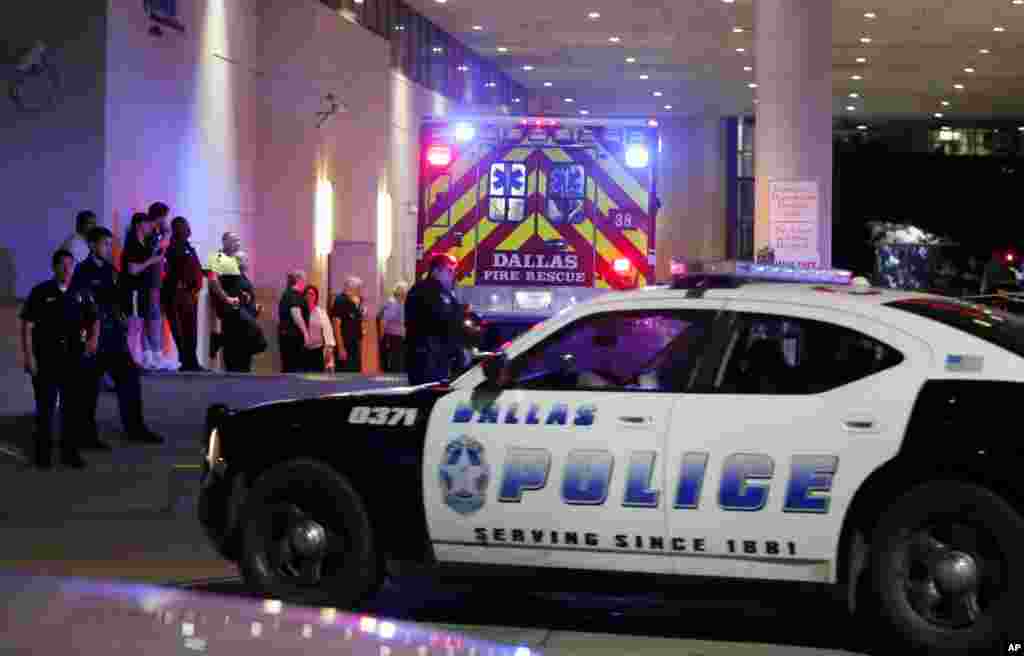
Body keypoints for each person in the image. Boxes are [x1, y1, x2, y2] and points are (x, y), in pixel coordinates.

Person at [72, 227, 164, 446]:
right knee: (89, 388)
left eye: (109, 244)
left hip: (114, 334)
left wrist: (122, 315)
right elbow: (83, 303)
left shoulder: (110, 270)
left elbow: (118, 295)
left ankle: (135, 428)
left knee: (130, 379)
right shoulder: (82, 271)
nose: (108, 248)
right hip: (95, 337)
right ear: (93, 245)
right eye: (104, 244)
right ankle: (86, 435)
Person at [19, 249, 99, 469]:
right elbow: (27, 325)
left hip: (73, 359)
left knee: (72, 408)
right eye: (62, 265)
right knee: (45, 409)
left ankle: (70, 454)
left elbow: (94, 318)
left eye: (70, 265)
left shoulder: (82, 291)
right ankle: (42, 455)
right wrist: (29, 357)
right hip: (46, 358)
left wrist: (93, 341)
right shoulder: (40, 292)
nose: (66, 269)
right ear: (54, 267)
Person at [405, 254, 467, 385]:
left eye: (453, 271)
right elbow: (439, 320)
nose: (452, 275)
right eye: (449, 271)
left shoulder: (446, 292)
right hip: (427, 357)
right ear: (436, 271)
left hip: (440, 356)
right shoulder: (422, 290)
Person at [122, 212, 173, 370]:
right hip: (134, 290)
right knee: (134, 325)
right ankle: (129, 361)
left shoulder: (145, 243)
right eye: (147, 224)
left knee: (142, 323)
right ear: (139, 225)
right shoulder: (132, 244)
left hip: (143, 290)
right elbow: (132, 269)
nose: (150, 227)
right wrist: (151, 261)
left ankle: (140, 359)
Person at [162, 217, 205, 372]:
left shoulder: (187, 246)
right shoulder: (173, 247)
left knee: (191, 329)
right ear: (179, 229)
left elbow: (194, 267)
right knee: (183, 329)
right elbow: (175, 271)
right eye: (186, 226)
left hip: (190, 295)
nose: (189, 228)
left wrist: (204, 273)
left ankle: (192, 361)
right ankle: (187, 361)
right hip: (179, 295)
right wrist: (184, 287)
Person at [219, 250, 266, 373]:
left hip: (244, 326)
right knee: (236, 366)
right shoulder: (231, 277)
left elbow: (245, 299)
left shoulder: (242, 277)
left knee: (244, 366)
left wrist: (254, 309)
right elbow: (234, 301)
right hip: (237, 328)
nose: (247, 262)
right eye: (244, 260)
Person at [206, 232, 243, 362]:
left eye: (238, 240)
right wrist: (226, 298)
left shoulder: (236, 259)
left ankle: (220, 341)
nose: (238, 243)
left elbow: (237, 281)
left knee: (238, 335)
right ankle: (218, 340)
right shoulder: (217, 257)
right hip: (227, 303)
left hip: (238, 302)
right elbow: (213, 281)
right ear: (225, 242)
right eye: (234, 240)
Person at [146, 202, 173, 368]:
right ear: (161, 216)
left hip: (158, 280)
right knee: (152, 315)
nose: (167, 221)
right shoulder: (150, 233)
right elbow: (156, 250)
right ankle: (153, 353)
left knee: (157, 315)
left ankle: (157, 351)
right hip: (150, 281)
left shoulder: (157, 232)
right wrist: (167, 234)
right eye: (166, 217)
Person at [330, 276, 366, 373]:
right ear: (351, 288)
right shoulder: (340, 301)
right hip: (345, 346)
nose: (360, 292)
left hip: (354, 345)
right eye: (358, 289)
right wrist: (341, 348)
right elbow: (336, 326)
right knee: (345, 375)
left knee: (355, 373)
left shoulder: (354, 302)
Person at [278, 270, 310, 373]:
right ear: (299, 280)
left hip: (288, 336)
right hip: (293, 338)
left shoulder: (288, 294)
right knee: (294, 368)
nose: (306, 283)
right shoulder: (294, 294)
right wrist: (305, 333)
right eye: (305, 280)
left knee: (289, 366)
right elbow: (296, 314)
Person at [303, 285, 336, 373]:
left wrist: (329, 349)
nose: (309, 296)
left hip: (317, 350)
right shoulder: (300, 312)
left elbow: (328, 331)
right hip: (302, 350)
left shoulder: (321, 312)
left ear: (316, 297)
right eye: (307, 294)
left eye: (312, 294)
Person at [378, 281, 408, 373]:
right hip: (393, 338)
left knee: (399, 363)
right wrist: (382, 337)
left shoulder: (400, 303)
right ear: (401, 293)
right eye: (406, 292)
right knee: (395, 364)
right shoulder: (393, 303)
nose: (407, 294)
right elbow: (383, 321)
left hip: (399, 337)